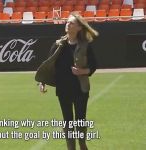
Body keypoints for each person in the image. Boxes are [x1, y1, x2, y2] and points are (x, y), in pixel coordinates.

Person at [35, 12, 98, 150]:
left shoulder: (85, 46)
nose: (67, 24)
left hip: (80, 89)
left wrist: (82, 71)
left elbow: (93, 66)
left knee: (80, 120)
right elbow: (48, 65)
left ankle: (82, 144)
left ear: (79, 28)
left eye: (71, 23)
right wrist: (42, 82)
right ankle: (71, 147)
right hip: (63, 90)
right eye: (67, 22)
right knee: (68, 121)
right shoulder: (58, 45)